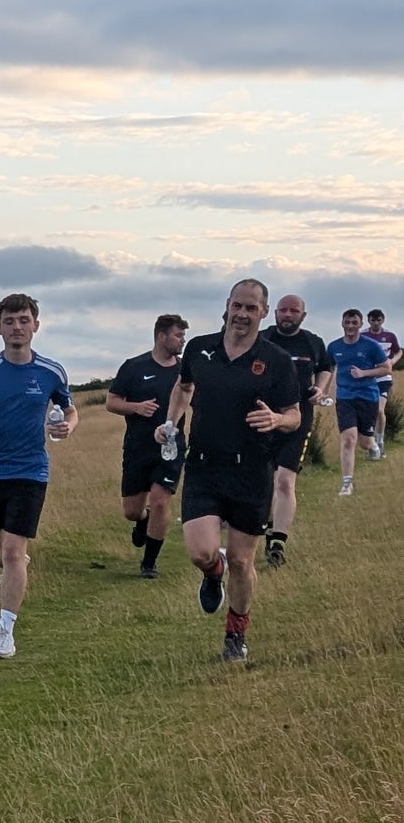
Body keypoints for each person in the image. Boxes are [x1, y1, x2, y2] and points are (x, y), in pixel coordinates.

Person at [168, 280, 302, 667]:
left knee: (244, 562)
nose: (242, 314)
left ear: (264, 311)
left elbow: (294, 415)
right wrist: (171, 420)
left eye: (251, 308)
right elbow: (183, 387)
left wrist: (277, 418)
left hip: (251, 472)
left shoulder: (276, 360)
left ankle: (236, 633)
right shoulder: (199, 349)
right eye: (237, 306)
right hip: (204, 466)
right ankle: (213, 572)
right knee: (201, 551)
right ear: (227, 306)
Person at [0, 293, 76, 659]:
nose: (17, 327)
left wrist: (67, 425)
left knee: (11, 550)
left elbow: (70, 411)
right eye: (10, 321)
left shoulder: (51, 372)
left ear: (36, 325)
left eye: (24, 320)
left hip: (31, 471)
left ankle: (4, 632)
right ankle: (17, 571)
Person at [105, 312, 188, 576]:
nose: (182, 340)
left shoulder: (184, 371)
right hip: (137, 447)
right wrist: (136, 407)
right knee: (131, 510)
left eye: (184, 335)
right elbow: (111, 401)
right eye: (178, 335)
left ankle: (149, 563)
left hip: (170, 447)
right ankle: (142, 521)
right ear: (161, 335)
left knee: (161, 501)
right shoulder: (134, 367)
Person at [262, 292, 330, 568]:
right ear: (274, 313)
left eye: (293, 311)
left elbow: (326, 368)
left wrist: (320, 388)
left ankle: (278, 542)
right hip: (262, 418)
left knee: (284, 481)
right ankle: (264, 526)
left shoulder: (313, 343)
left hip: (297, 420)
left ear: (303, 315)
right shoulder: (262, 339)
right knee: (263, 480)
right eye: (283, 310)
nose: (287, 315)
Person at [326, 306, 390, 495]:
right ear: (342, 324)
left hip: (368, 397)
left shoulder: (370, 345)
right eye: (347, 322)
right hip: (345, 398)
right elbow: (328, 369)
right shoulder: (334, 347)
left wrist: (364, 373)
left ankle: (373, 445)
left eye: (355, 322)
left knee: (363, 442)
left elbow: (386, 369)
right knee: (348, 439)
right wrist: (325, 391)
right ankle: (347, 483)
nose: (351, 326)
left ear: (361, 324)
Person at [366, 307, 399, 454]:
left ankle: (380, 441)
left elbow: (398, 351)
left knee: (379, 410)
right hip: (367, 377)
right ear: (369, 321)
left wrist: (392, 361)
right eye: (373, 320)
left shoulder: (390, 336)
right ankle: (371, 443)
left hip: (384, 377)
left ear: (382, 320)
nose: (376, 323)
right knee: (370, 411)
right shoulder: (362, 336)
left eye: (378, 320)